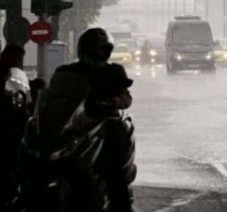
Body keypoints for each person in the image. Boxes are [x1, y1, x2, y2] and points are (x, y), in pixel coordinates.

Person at [21, 28, 136, 212]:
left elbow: (126, 97)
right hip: (72, 126)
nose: (98, 54)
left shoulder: (113, 71)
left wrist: (116, 101)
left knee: (113, 169)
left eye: (102, 49)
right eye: (94, 49)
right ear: (83, 49)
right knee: (33, 155)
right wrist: (38, 104)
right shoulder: (67, 70)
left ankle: (121, 206)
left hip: (99, 124)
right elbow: (53, 94)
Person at [0, 44, 28, 211]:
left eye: (20, 58)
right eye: (17, 58)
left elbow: (21, 87)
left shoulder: (14, 74)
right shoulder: (3, 72)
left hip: (13, 119)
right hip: (5, 121)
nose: (19, 62)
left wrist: (36, 86)